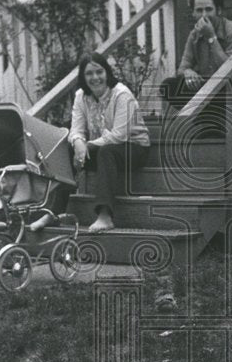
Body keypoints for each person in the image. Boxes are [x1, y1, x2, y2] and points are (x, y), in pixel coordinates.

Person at [29, 51, 149, 233]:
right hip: (104, 151)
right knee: (68, 150)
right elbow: (76, 129)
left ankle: (105, 216)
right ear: (83, 77)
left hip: (135, 148)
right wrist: (78, 143)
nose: (95, 77)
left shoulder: (122, 95)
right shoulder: (81, 96)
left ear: (107, 73)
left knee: (106, 151)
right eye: (89, 74)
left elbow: (119, 135)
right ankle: (53, 213)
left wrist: (88, 146)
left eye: (99, 72)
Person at [160, 0, 232, 123]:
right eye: (199, 10)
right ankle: (207, 120)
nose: (204, 15)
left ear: (219, 11)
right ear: (193, 13)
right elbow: (182, 68)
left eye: (209, 9)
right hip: (210, 90)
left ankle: (207, 121)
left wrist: (211, 37)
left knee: (223, 94)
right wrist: (188, 72)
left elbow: (230, 71)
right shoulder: (194, 34)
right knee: (168, 86)